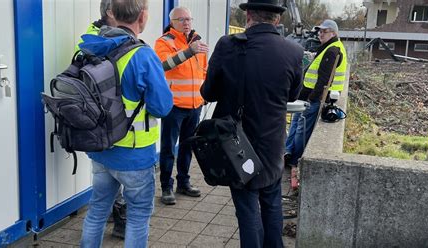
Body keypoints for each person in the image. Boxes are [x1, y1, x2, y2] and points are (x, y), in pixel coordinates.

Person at [200, 0, 304, 247]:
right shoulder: (293, 51)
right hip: (273, 144)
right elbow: (292, 95)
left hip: (237, 144)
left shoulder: (228, 45)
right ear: (276, 19)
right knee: (271, 204)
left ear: (248, 15)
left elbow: (209, 92)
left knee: (247, 210)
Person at [79, 0, 173, 247]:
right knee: (138, 218)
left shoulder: (93, 46)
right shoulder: (142, 55)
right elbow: (162, 107)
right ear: (142, 17)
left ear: (112, 14)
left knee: (97, 211)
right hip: (134, 154)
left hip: (101, 148)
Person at [77, 0, 127, 239]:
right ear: (110, 12)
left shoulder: (94, 34)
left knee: (105, 175)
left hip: (101, 116)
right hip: (106, 116)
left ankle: (112, 212)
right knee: (113, 170)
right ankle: (120, 219)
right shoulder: (99, 39)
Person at [154, 6, 208, 205]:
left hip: (195, 105)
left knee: (188, 146)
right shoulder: (164, 42)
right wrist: (188, 52)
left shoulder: (197, 43)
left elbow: (204, 71)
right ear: (172, 23)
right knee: (169, 147)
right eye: (181, 19)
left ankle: (183, 183)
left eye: (189, 19)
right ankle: (166, 186)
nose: (186, 23)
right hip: (174, 106)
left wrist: (205, 94)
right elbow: (162, 65)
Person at [284, 19, 348, 168]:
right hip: (305, 96)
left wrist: (312, 99)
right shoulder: (328, 47)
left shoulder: (332, 50)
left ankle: (295, 160)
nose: (320, 34)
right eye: (319, 31)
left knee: (301, 128)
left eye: (324, 31)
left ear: (333, 33)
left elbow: (324, 80)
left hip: (312, 99)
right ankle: (288, 152)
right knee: (295, 124)